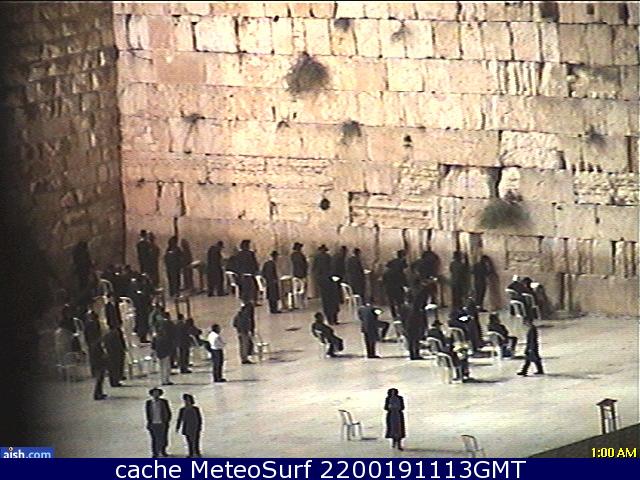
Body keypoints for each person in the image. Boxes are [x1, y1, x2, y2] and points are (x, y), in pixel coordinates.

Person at [145, 388, 171, 458]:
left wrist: (167, 420)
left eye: (157, 393)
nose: (156, 394)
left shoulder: (164, 402)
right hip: (153, 423)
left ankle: (163, 451)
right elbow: (147, 413)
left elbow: (168, 411)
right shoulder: (148, 403)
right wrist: (149, 423)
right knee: (154, 438)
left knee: (163, 438)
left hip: (162, 423)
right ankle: (155, 452)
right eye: (154, 393)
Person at [382, 250, 408, 318]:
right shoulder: (400, 271)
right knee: (400, 301)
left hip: (389, 288)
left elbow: (384, 280)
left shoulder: (387, 272)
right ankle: (401, 313)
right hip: (398, 287)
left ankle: (394, 314)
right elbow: (403, 279)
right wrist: (406, 285)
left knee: (391, 301)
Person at [176, 393, 203, 458]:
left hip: (195, 427)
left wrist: (199, 426)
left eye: (188, 400)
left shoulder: (195, 409)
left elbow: (199, 418)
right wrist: (178, 427)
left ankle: (197, 452)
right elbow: (179, 419)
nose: (187, 402)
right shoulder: (182, 410)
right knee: (189, 441)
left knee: (196, 440)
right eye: (185, 400)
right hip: (187, 427)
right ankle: (191, 452)